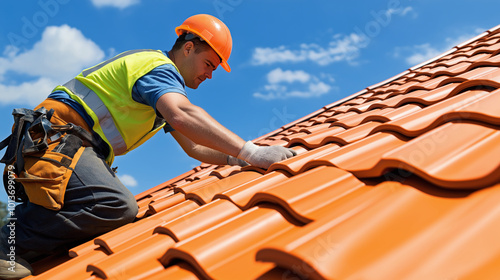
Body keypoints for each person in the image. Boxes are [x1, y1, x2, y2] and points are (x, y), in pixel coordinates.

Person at [0, 14, 296, 279]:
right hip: (55, 140)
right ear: (188, 47)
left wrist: (236, 161)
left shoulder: (157, 92)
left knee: (96, 221)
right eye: (209, 64)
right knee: (114, 205)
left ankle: (24, 255)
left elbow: (193, 147)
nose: (209, 75)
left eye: (215, 70)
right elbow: (182, 115)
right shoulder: (158, 69)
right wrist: (251, 151)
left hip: (63, 149)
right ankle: (5, 245)